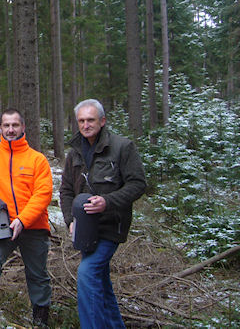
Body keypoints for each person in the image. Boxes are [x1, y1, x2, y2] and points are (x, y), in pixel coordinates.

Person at [59, 99, 146, 329]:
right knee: (101, 282)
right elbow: (66, 190)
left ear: (102, 121)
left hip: (111, 226)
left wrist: (107, 202)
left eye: (90, 120)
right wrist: (70, 221)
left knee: (87, 274)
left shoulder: (122, 147)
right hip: (85, 230)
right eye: (81, 121)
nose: (86, 125)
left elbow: (137, 184)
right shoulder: (74, 153)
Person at [0, 108, 53, 327]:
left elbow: (43, 194)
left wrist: (23, 219)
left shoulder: (37, 160)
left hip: (34, 227)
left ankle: (40, 319)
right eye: (6, 125)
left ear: (23, 127)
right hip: (1, 225)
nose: (10, 129)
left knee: (38, 275)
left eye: (15, 125)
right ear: (0, 128)